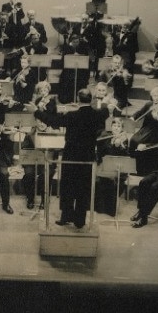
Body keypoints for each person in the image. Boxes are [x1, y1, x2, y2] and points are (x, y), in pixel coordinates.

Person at [30, 88, 109, 229]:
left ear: (78, 100)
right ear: (90, 100)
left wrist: (36, 111)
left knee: (68, 188)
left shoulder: (72, 116)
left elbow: (52, 121)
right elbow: (106, 112)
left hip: (70, 157)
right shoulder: (97, 115)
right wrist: (104, 102)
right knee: (83, 190)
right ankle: (80, 221)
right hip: (87, 158)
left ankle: (65, 217)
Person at [95, 117, 131, 216]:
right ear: (111, 127)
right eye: (114, 125)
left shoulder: (124, 138)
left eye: (118, 126)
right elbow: (101, 152)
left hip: (118, 166)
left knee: (112, 180)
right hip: (105, 163)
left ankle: (110, 209)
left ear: (122, 128)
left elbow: (125, 156)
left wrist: (118, 145)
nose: (116, 128)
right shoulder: (106, 135)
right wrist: (110, 144)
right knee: (100, 178)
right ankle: (100, 207)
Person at [129, 86, 158, 176]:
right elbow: (140, 112)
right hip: (146, 128)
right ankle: (133, 165)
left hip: (157, 131)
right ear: (152, 96)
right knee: (133, 140)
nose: (156, 98)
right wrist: (133, 117)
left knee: (140, 142)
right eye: (154, 96)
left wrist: (157, 117)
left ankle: (141, 169)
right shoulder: (149, 104)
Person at [20, 118, 52, 209]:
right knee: (29, 174)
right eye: (40, 121)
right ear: (36, 122)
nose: (42, 124)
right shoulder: (29, 135)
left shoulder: (52, 134)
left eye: (44, 121)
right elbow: (24, 150)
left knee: (46, 173)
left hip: (46, 162)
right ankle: (30, 199)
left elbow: (56, 151)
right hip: (31, 162)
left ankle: (44, 199)